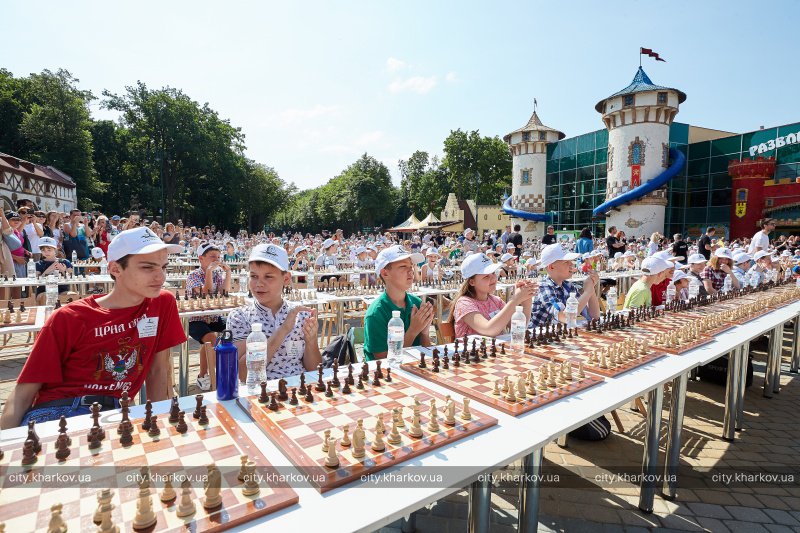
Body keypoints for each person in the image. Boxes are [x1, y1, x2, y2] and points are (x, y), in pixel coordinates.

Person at [1, 227, 186, 428]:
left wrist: (158, 424)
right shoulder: (69, 317)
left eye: (164, 267)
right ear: (115, 269)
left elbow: (158, 371)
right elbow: (22, 394)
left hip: (115, 413)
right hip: (57, 413)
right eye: (148, 268)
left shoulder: (162, 302)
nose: (161, 277)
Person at [226, 244, 321, 380]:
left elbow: (315, 368)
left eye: (268, 277)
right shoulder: (240, 317)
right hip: (260, 392)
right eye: (254, 276)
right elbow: (243, 373)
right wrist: (283, 330)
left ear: (286, 279)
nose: (259, 283)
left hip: (299, 390)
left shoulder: (301, 314)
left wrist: (311, 341)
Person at [363, 245, 432, 360]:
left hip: (414, 370)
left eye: (411, 266)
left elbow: (427, 353)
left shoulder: (417, 303)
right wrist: (413, 331)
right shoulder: (376, 313)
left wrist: (424, 333)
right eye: (403, 266)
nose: (410, 270)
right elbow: (384, 362)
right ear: (385, 273)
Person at [450, 252, 535, 337]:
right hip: (473, 349)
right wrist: (515, 299)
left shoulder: (496, 301)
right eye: (486, 276)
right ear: (472, 282)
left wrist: (526, 297)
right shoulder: (464, 303)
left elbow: (518, 327)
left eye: (493, 273)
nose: (493, 278)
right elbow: (489, 330)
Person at [186, 242, 232, 390]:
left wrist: (228, 273)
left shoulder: (218, 274)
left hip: (213, 317)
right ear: (201, 258)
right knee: (211, 338)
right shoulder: (193, 275)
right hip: (195, 319)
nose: (216, 260)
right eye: (212, 256)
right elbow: (206, 293)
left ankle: (228, 369)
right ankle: (203, 375)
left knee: (234, 328)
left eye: (218, 257)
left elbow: (224, 293)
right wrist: (209, 273)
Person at [528, 243, 601, 329]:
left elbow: (594, 316)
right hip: (539, 338)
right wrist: (587, 292)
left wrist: (591, 288)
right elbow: (565, 317)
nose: (571, 265)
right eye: (566, 262)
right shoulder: (544, 287)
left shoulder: (568, 286)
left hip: (559, 336)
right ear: (551, 267)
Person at [33, 237, 73, 305]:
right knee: (46, 296)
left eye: (49, 250)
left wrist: (63, 271)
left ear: (55, 249)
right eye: (43, 250)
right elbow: (37, 281)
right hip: (44, 290)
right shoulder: (38, 264)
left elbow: (73, 278)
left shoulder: (65, 262)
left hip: (62, 290)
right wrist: (49, 270)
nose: (46, 252)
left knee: (72, 295)